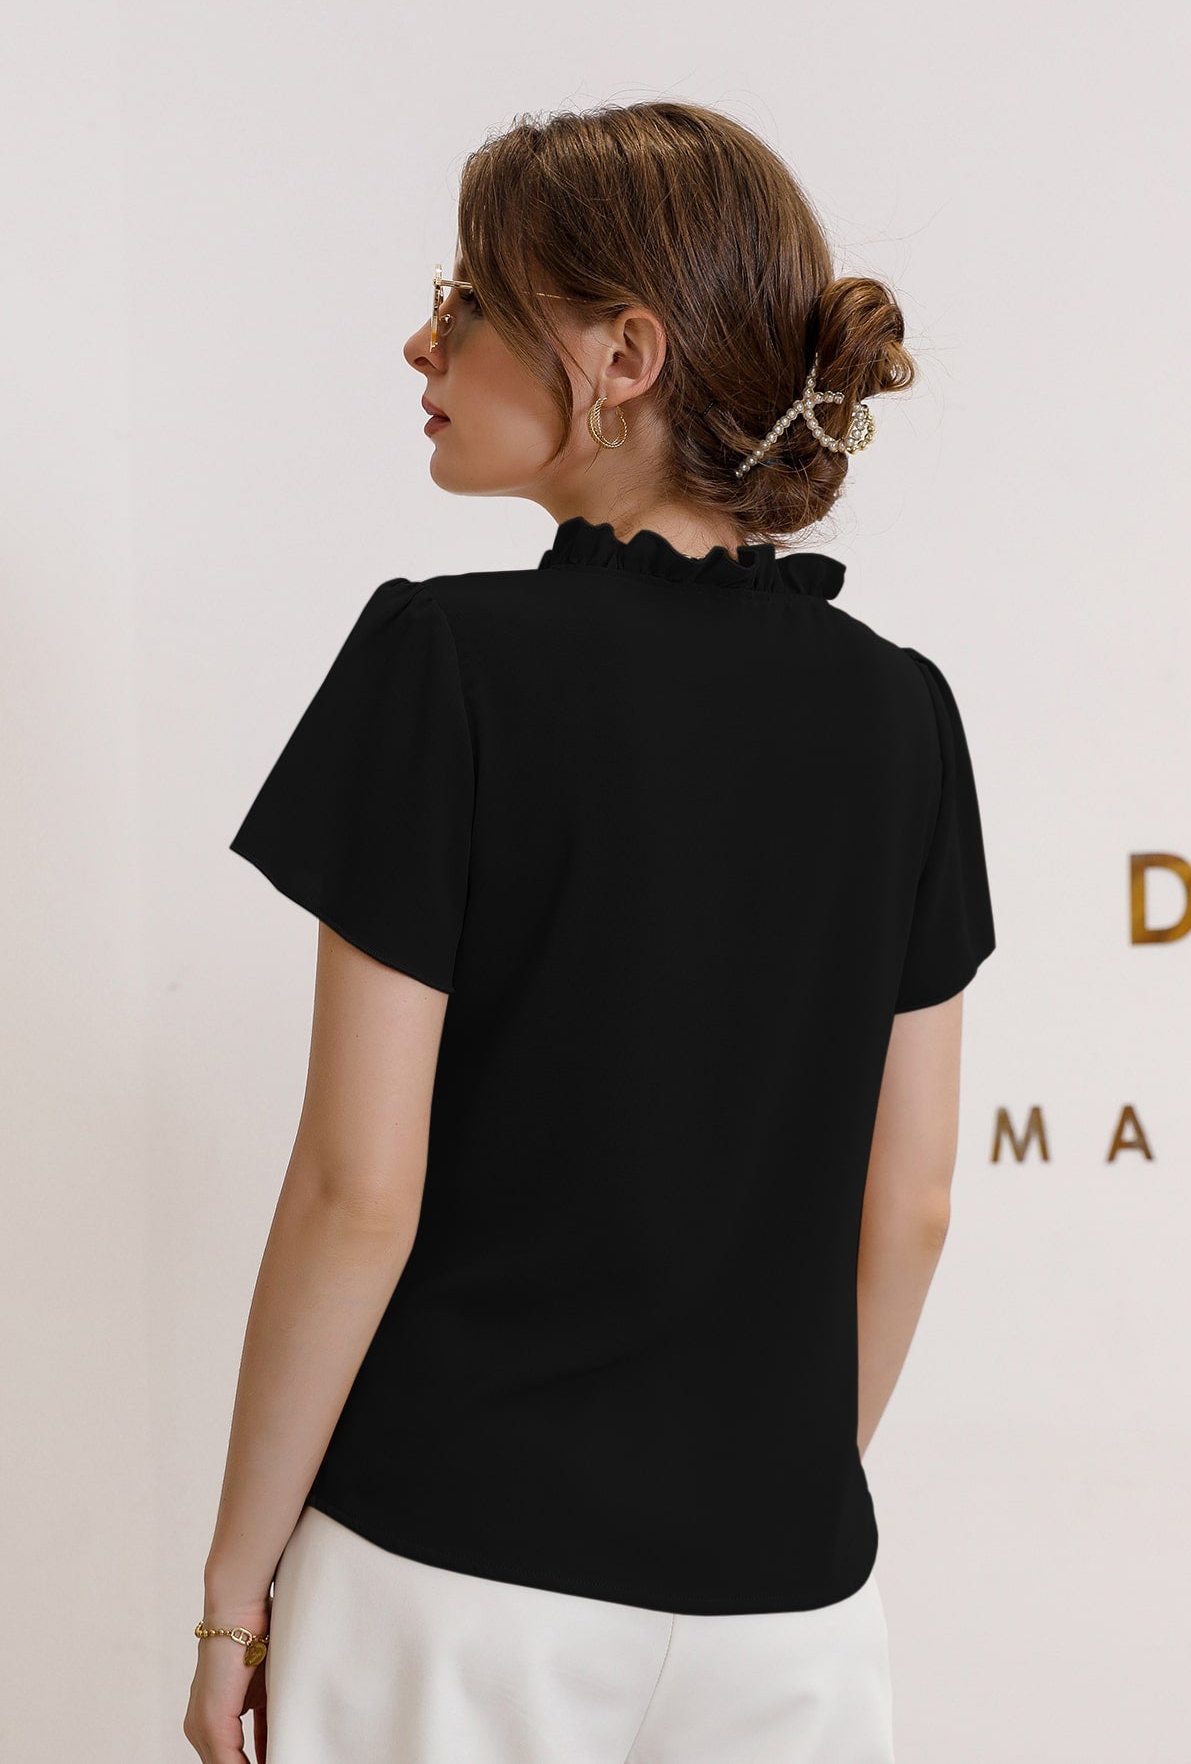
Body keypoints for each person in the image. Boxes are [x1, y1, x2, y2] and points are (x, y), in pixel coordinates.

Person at [183, 99, 996, 1764]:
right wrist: (756, 1494)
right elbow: (910, 1202)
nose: (424, 341)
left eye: (471, 300)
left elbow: (357, 1191)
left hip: (451, 1576)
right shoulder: (904, 717)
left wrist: (231, 1590)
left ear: (625, 355)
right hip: (792, 1612)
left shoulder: (446, 665)